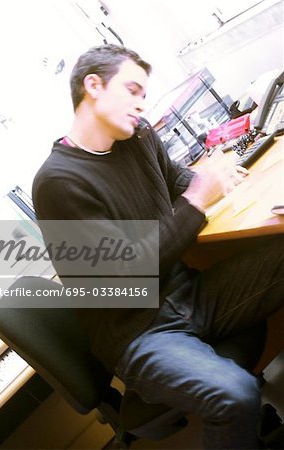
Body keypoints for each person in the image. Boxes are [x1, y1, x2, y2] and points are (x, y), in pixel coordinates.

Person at [32, 44, 284, 449]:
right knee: (234, 394)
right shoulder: (58, 183)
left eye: (143, 94)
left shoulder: (138, 136)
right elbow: (126, 272)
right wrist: (198, 200)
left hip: (190, 295)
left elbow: (177, 180)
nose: (140, 104)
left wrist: (227, 177)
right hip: (139, 333)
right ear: (93, 86)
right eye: (132, 90)